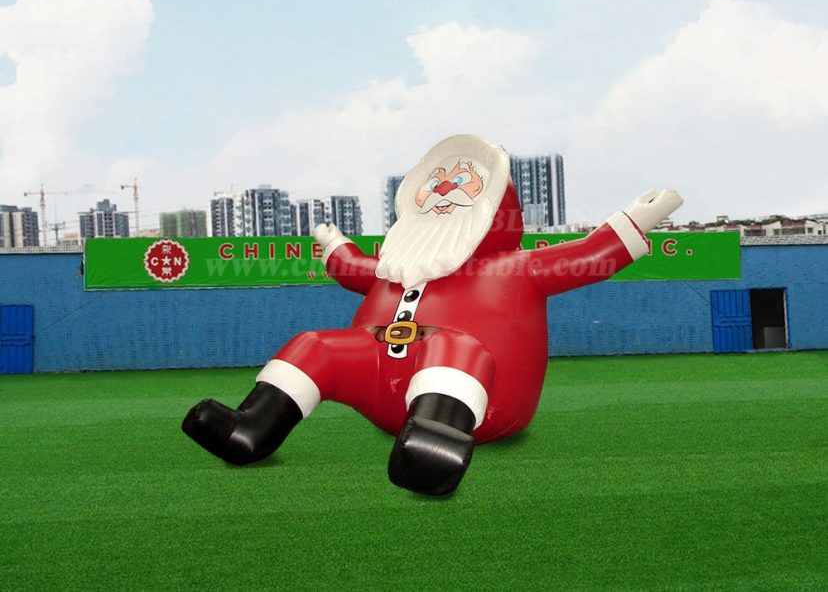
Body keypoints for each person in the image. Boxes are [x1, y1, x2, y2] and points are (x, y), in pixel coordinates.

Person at [183, 134, 682, 495]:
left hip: (486, 402)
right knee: (315, 345)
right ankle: (253, 428)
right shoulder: (399, 265)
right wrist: (333, 244)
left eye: (461, 184)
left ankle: (435, 445)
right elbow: (353, 268)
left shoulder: (515, 267)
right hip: (378, 379)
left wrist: (634, 220)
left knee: (454, 347)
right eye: (437, 183)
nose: (444, 191)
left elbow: (588, 256)